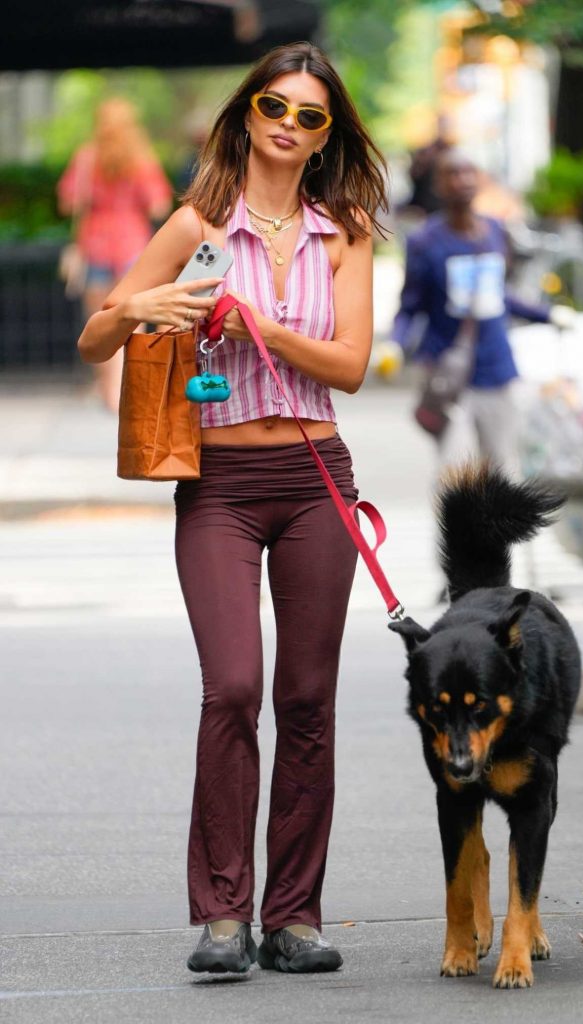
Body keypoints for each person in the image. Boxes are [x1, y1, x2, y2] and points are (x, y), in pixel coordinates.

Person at [75, 43, 387, 974]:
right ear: (247, 114)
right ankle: (223, 915)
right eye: (275, 108)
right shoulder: (199, 224)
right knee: (235, 689)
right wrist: (150, 304)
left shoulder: (345, 231)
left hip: (313, 478)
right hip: (217, 487)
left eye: (311, 116)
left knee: (306, 700)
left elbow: (352, 367)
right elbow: (97, 337)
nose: (289, 127)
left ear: (328, 133)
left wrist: (265, 328)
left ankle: (293, 917)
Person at [392, 148, 572, 475]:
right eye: (453, 173)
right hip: (448, 374)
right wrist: (395, 344)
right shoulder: (424, 242)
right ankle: (456, 529)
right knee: (456, 473)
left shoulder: (494, 231)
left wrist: (548, 315)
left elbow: (499, 295)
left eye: (468, 172)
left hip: (497, 368)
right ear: (438, 185)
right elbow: (410, 305)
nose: (462, 180)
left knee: (501, 470)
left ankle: (497, 529)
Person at [58, 98, 172, 412]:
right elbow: (158, 205)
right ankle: (126, 391)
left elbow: (68, 203)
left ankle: (109, 390)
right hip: (133, 246)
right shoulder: (141, 158)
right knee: (132, 323)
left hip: (94, 245)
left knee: (100, 323)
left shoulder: (85, 158)